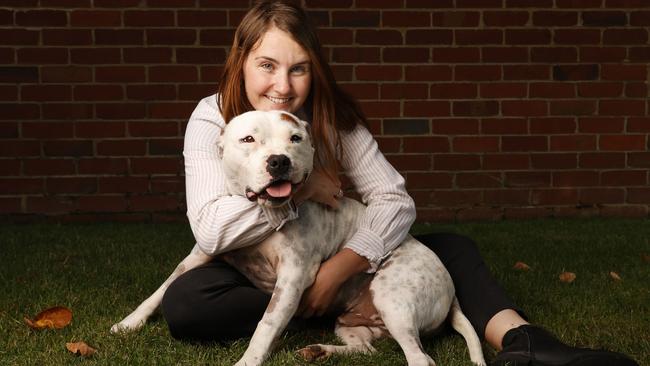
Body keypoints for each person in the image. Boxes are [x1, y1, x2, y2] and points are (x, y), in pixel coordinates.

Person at [161, 1, 638, 365]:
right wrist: (302, 191)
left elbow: (392, 199)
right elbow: (210, 230)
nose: (283, 85)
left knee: (450, 247)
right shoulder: (212, 118)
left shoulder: (331, 119)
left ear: (314, 70)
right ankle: (311, 308)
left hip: (333, 259)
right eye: (267, 65)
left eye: (299, 67)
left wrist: (338, 271)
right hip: (254, 263)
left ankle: (523, 341)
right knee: (188, 304)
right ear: (240, 61)